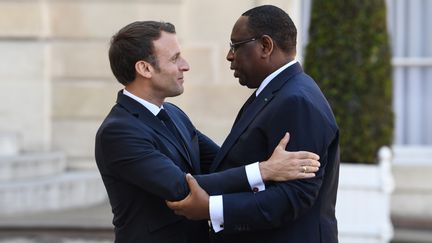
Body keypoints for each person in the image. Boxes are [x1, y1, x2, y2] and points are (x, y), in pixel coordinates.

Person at [95, 20, 321, 243]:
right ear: (144, 68)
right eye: (175, 58)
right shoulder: (118, 132)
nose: (185, 65)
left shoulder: (174, 113)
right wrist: (264, 171)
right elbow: (182, 188)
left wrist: (278, 169)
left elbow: (223, 162)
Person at [166, 5, 340, 243]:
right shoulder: (276, 92)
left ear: (265, 46)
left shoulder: (296, 101)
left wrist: (212, 208)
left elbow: (295, 197)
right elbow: (235, 158)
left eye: (235, 46)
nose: (229, 56)